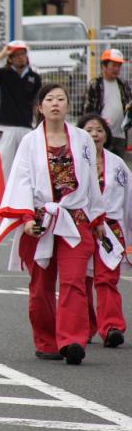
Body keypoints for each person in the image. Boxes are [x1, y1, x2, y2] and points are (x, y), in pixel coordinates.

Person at [0, 84, 105, 365]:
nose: (55, 103)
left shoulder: (82, 140)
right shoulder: (30, 142)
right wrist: (27, 219)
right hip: (40, 221)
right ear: (40, 107)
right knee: (41, 285)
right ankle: (47, 340)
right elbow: (20, 181)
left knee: (74, 281)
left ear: (68, 106)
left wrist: (98, 218)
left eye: (61, 99)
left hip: (75, 220)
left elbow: (92, 182)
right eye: (49, 99)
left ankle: (71, 341)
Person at [77, 113, 128, 348]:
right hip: (81, 225)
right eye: (89, 130)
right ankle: (84, 326)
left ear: (106, 135)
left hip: (111, 228)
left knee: (107, 278)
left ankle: (112, 327)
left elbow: (128, 199)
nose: (95, 134)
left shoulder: (117, 164)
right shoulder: (74, 162)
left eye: (99, 130)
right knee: (80, 280)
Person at [0, 41, 42, 179]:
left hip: (26, 127)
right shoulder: (4, 74)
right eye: (16, 55)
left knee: (27, 167)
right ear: (10, 58)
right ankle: (2, 198)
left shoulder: (34, 77)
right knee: (2, 165)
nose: (20, 57)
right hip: (5, 127)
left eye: (22, 54)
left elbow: (37, 104)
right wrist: (2, 54)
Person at [83, 49, 132, 159]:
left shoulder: (122, 85)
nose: (117, 69)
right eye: (113, 65)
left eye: (119, 66)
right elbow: (88, 111)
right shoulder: (95, 84)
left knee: (118, 166)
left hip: (120, 135)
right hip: (101, 135)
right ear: (104, 66)